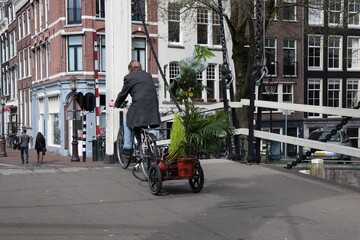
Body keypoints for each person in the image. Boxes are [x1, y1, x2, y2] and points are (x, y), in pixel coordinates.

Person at [108, 60, 161, 156]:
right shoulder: (148, 75)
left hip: (139, 104)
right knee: (139, 122)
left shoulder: (129, 77)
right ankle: (146, 143)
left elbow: (123, 94)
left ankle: (128, 147)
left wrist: (115, 104)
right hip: (153, 104)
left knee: (127, 121)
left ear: (130, 70)